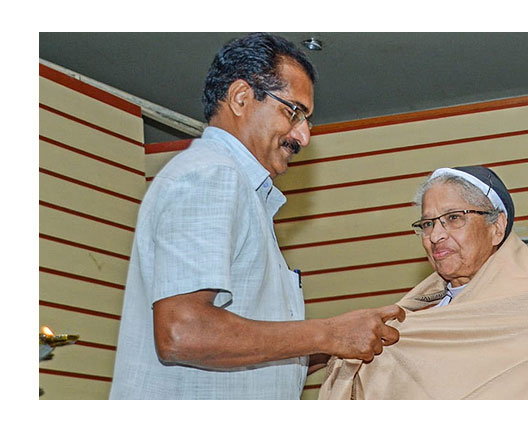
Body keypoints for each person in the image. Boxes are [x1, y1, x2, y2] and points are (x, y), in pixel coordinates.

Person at [109, 33, 405, 400]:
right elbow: (182, 332)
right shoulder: (211, 174)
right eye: (293, 111)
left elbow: (243, 348)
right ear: (240, 97)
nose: (304, 135)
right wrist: (329, 333)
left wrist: (346, 340)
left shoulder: (241, 190)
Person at [319, 165, 528, 399]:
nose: (435, 236)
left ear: (497, 227)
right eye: (427, 224)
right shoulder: (416, 321)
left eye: (454, 218)